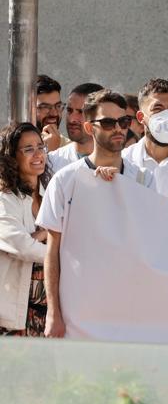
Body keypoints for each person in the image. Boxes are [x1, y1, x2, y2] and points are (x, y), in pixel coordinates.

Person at [38, 90, 150, 338]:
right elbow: (52, 251)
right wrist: (53, 313)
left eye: (123, 122)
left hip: (128, 310)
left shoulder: (143, 178)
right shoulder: (65, 180)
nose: (118, 129)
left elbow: (151, 242)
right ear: (89, 127)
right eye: (108, 123)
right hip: (78, 313)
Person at [0, 123, 50, 335]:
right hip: (15, 315)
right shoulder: (5, 199)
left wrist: (38, 235)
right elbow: (23, 246)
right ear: (12, 157)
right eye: (28, 149)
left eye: (40, 146)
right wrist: (53, 242)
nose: (38, 153)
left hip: (48, 312)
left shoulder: (51, 193)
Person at [48, 82, 103, 172]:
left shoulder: (122, 162)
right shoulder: (53, 160)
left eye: (81, 112)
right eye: (69, 110)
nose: (72, 119)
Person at [34, 75, 67, 152]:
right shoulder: (8, 145)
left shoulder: (69, 147)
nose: (54, 113)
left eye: (58, 106)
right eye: (45, 107)